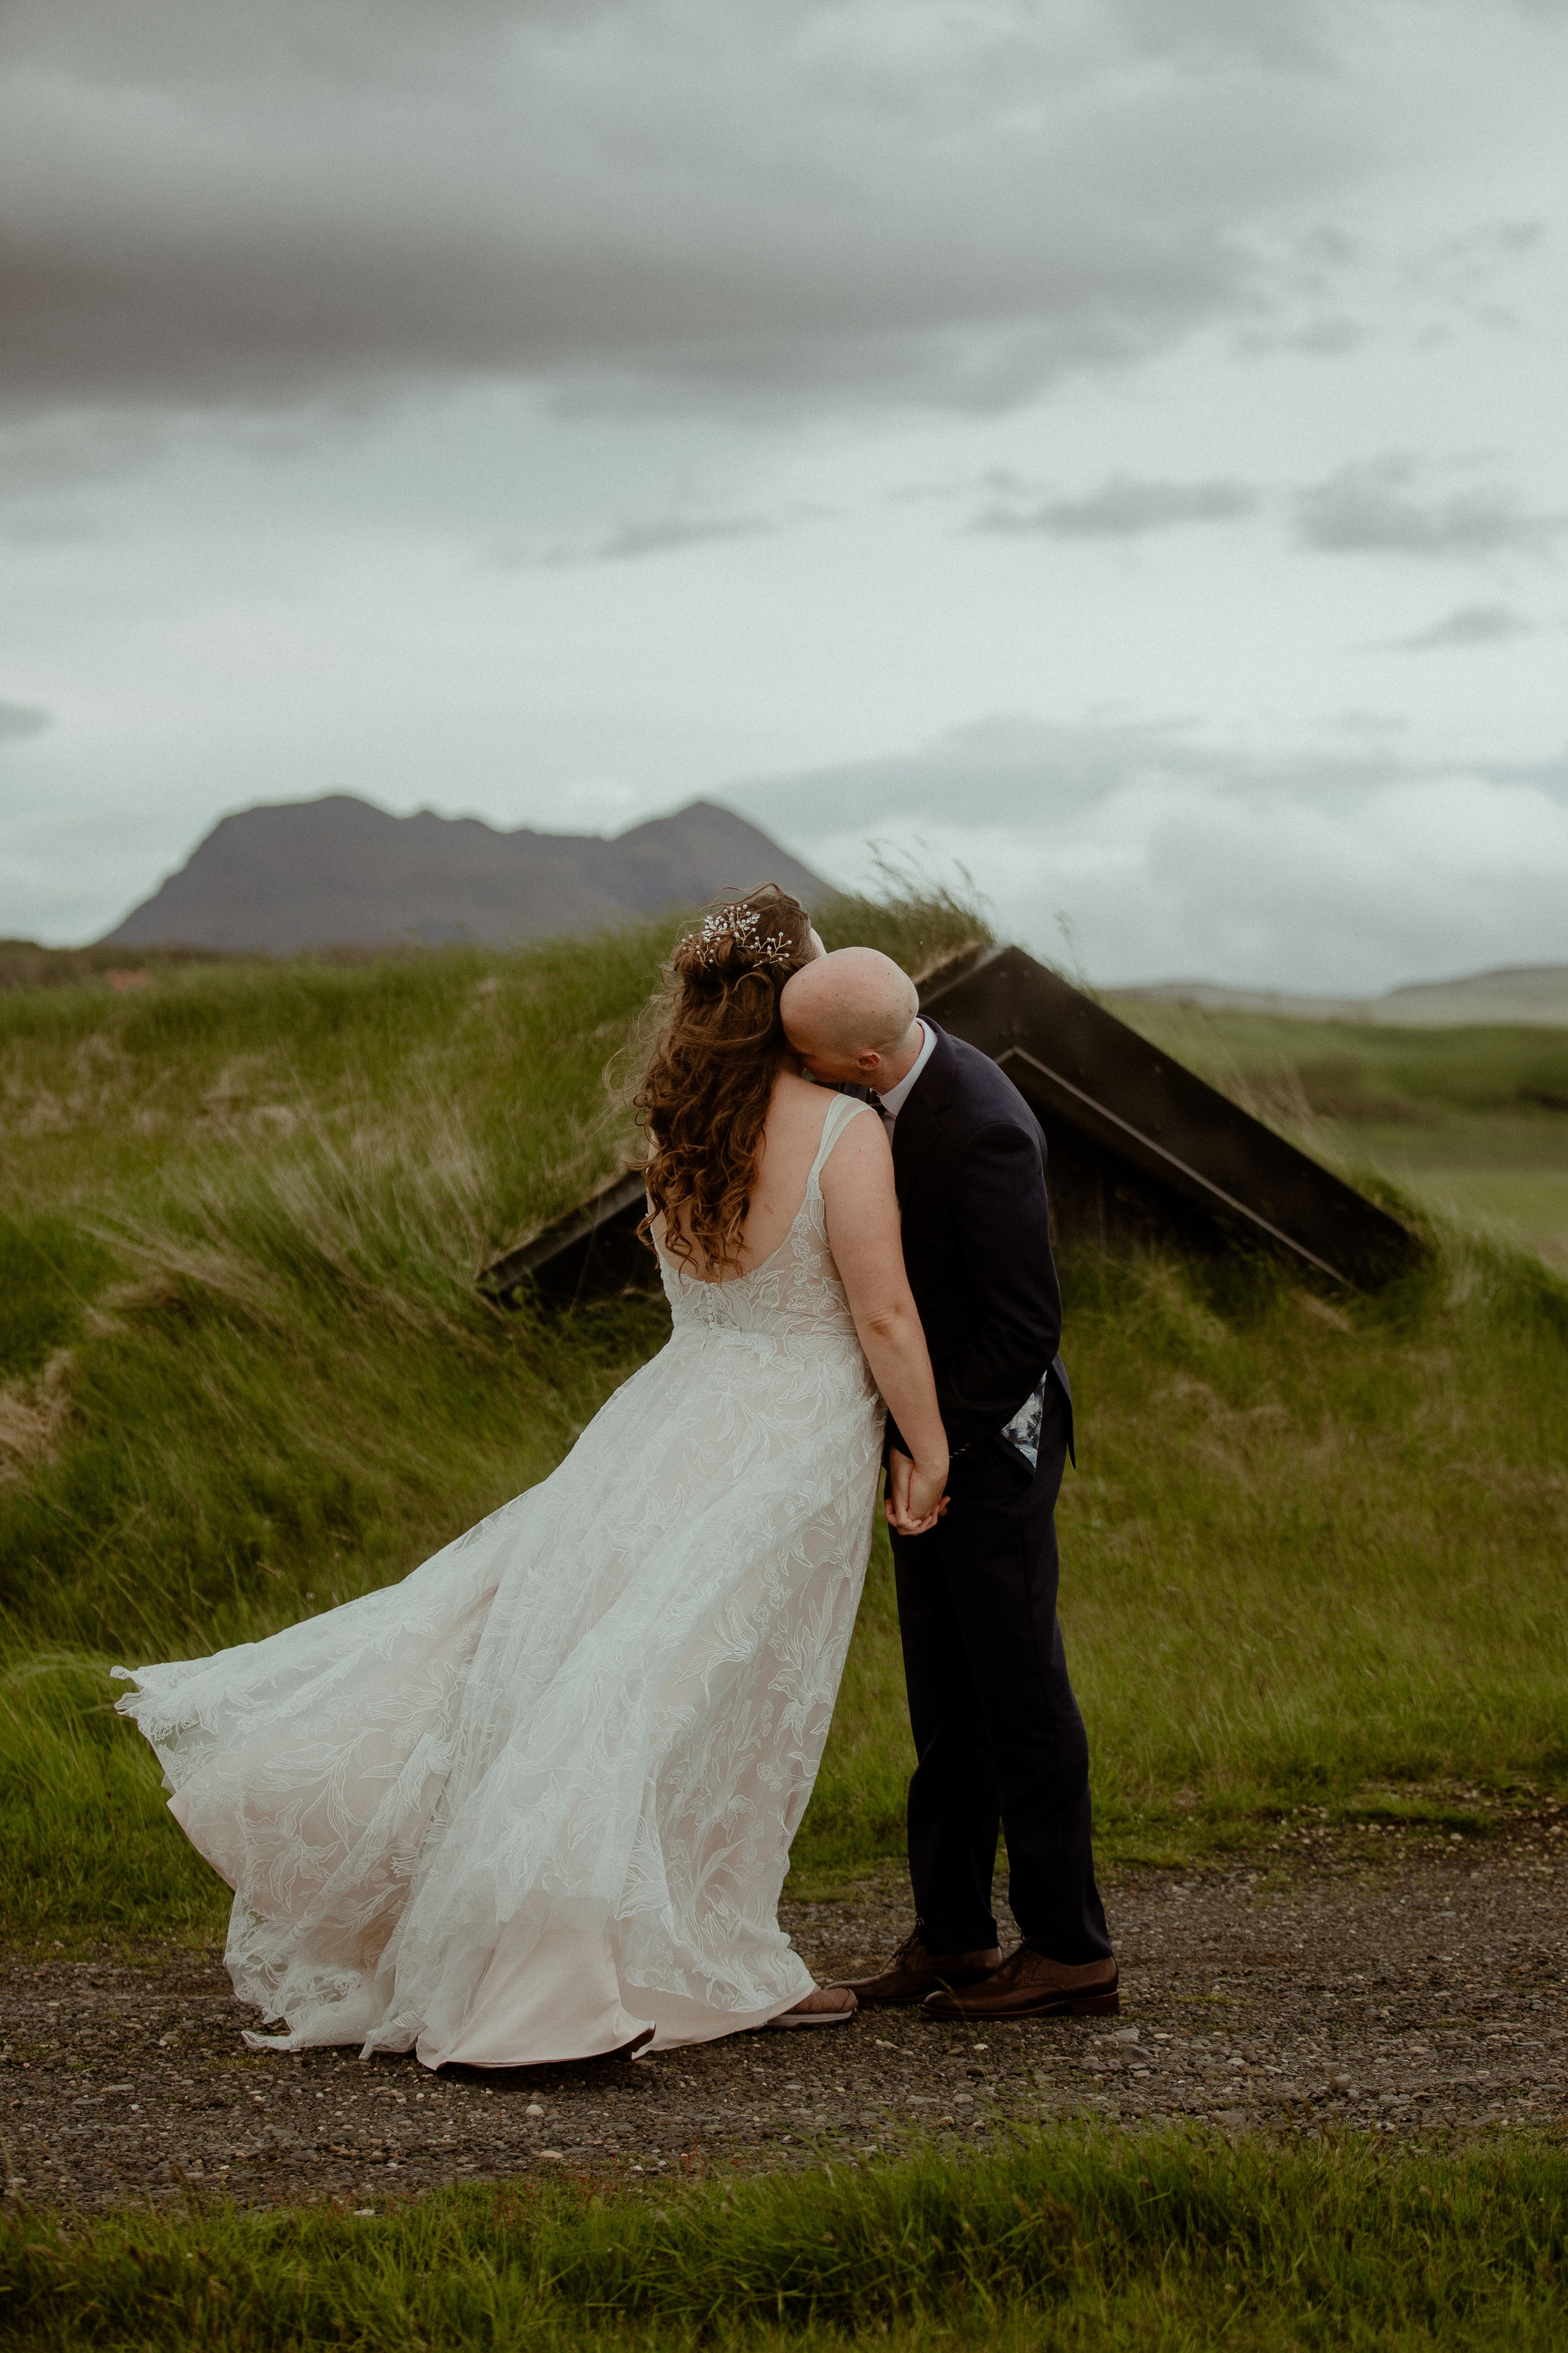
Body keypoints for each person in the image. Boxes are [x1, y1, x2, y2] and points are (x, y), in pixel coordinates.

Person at [114, 890, 950, 2067]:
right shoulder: (841, 1129)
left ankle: (686, 1935)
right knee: (712, 1695)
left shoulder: (677, 1131)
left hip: (666, 1416)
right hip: (788, 1436)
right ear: (791, 1006)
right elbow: (882, 1309)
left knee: (624, 1663)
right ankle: (634, 1961)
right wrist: (931, 1439)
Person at [780, 947, 1117, 2022]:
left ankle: (1070, 1948)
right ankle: (956, 1936)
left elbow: (1026, 1325)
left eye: (813, 1056)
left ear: (866, 1056)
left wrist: (934, 1447)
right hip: (923, 1444)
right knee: (944, 1697)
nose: (801, 1071)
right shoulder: (874, 1091)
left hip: (993, 1449)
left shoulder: (987, 1126)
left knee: (1021, 1698)